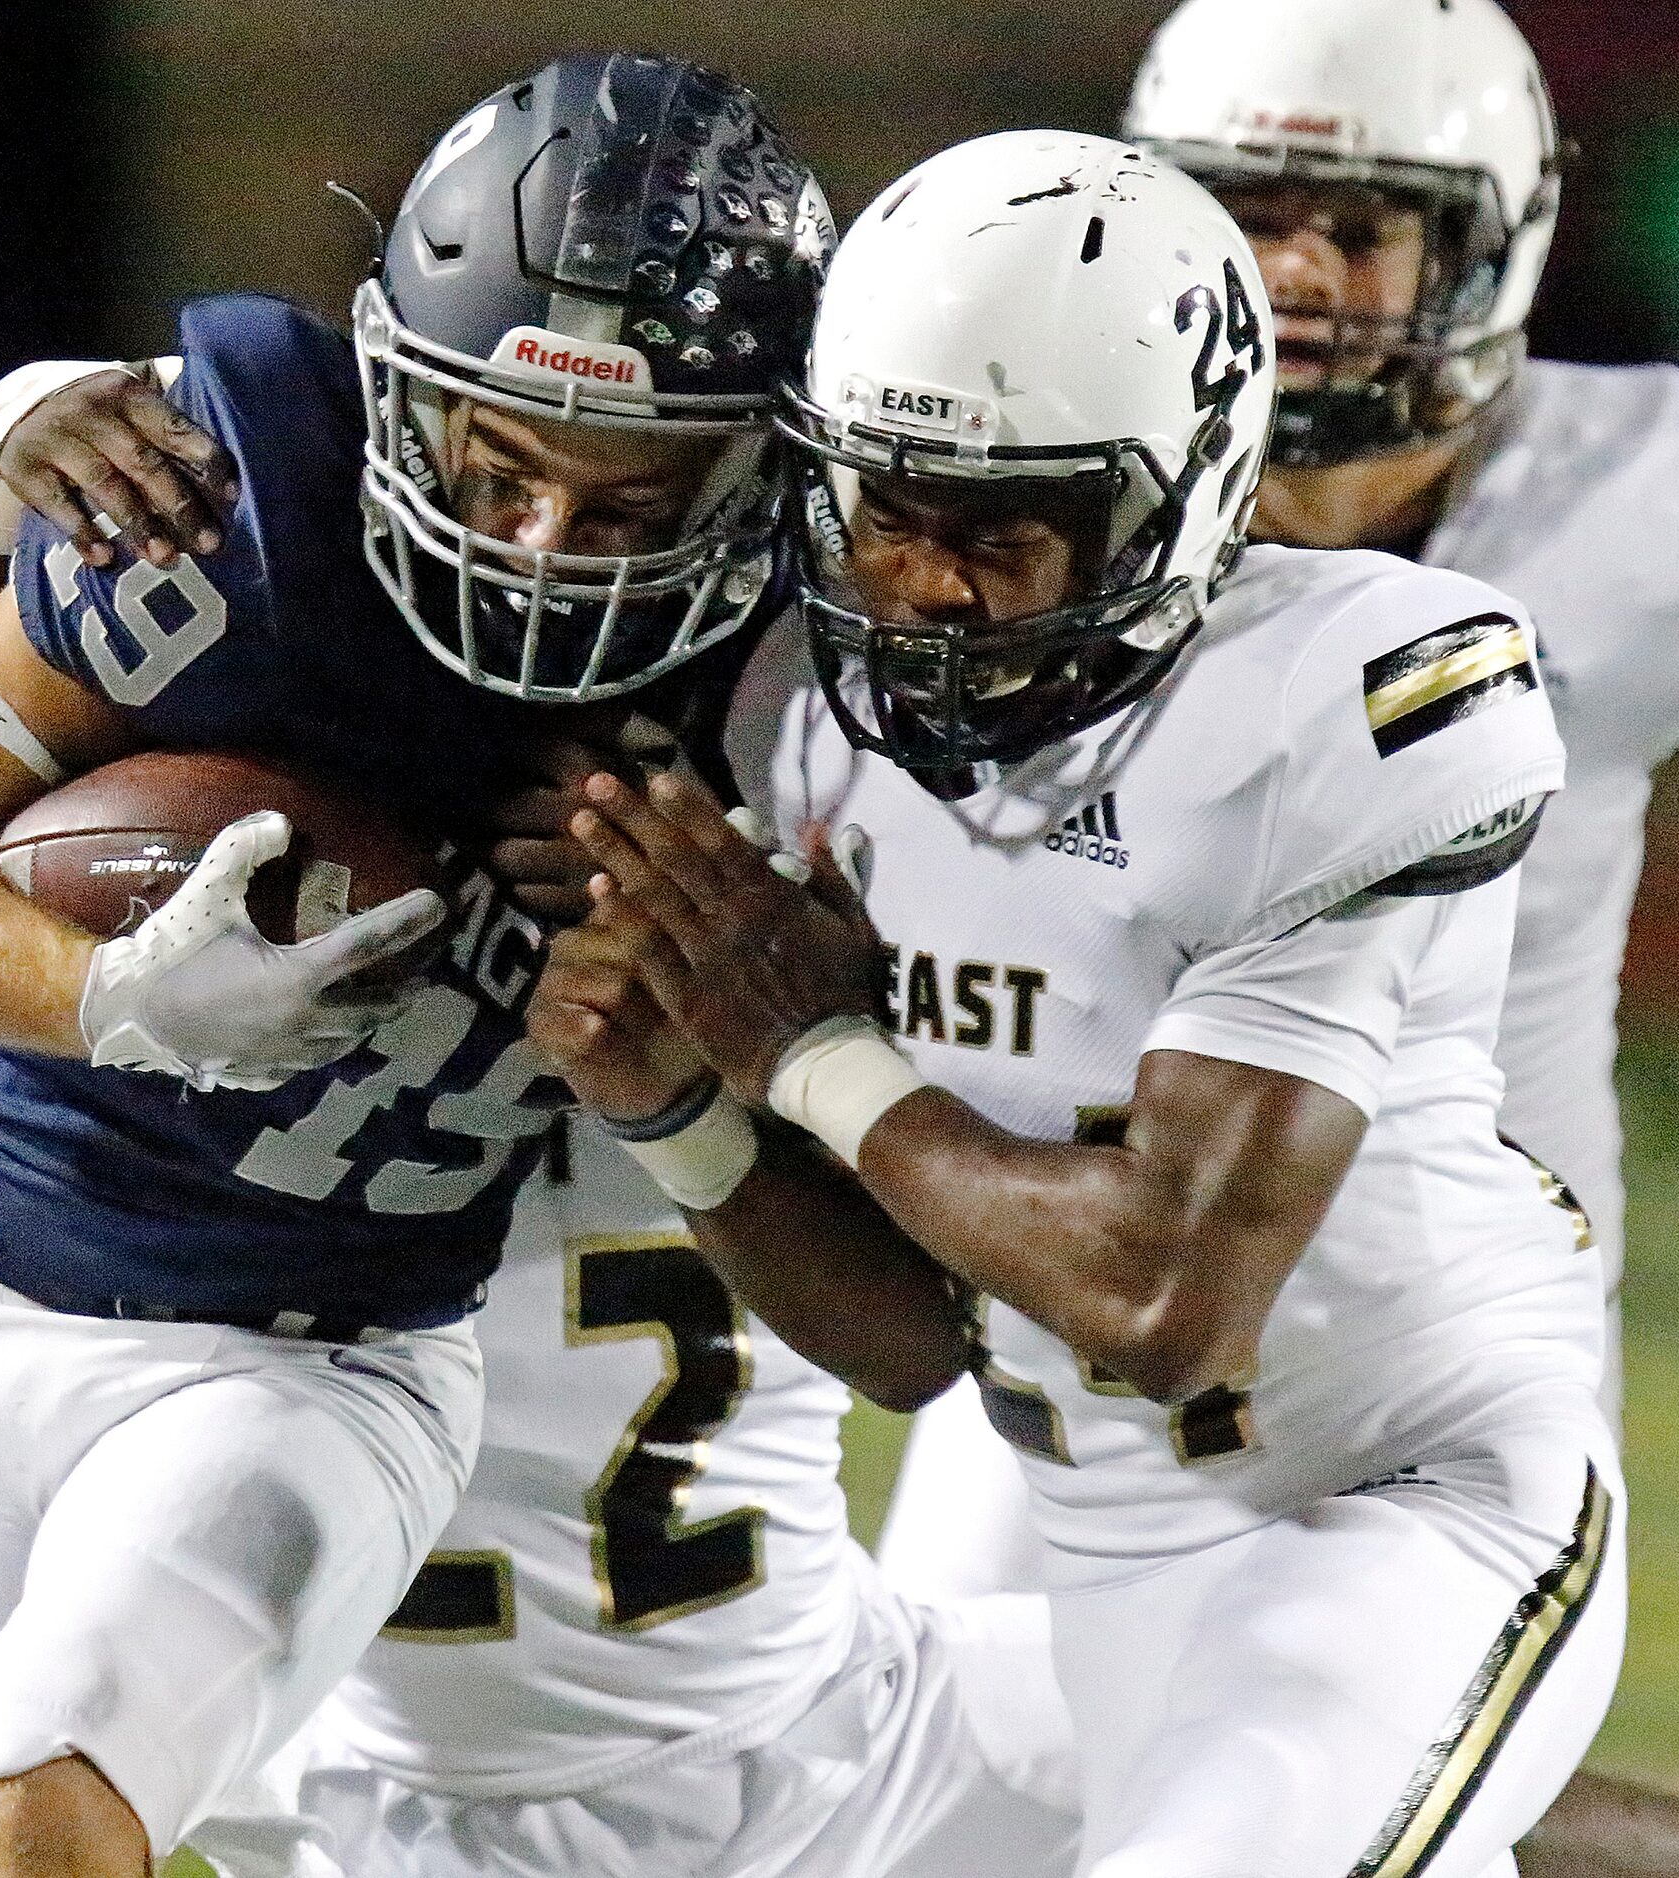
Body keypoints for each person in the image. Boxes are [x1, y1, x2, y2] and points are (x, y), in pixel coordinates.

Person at [0, 53, 828, 1878]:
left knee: (46, 1781)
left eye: (628, 501)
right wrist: (109, 998)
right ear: (393, 388)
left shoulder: (794, 703)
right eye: (498, 461)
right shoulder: (237, 513)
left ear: (762, 468)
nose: (537, 547)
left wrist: (703, 957)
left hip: (321, 1353)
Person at [536, 129, 1621, 1878]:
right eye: (891, 512)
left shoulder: (1354, 695)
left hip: (1400, 1493)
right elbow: (907, 1343)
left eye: (1008, 530)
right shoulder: (797, 725)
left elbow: (1163, 1291)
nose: (931, 586)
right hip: (1091, 1538)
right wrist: (683, 1112)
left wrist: (808, 1055)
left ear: (1179, 499)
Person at [879, 0, 1679, 1610]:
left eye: (1358, 228)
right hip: (1064, 1331)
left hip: (1432, 1364)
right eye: (1243, 213)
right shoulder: (1021, 496)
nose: (1287, 274)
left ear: (1492, 246)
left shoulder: (1646, 507)